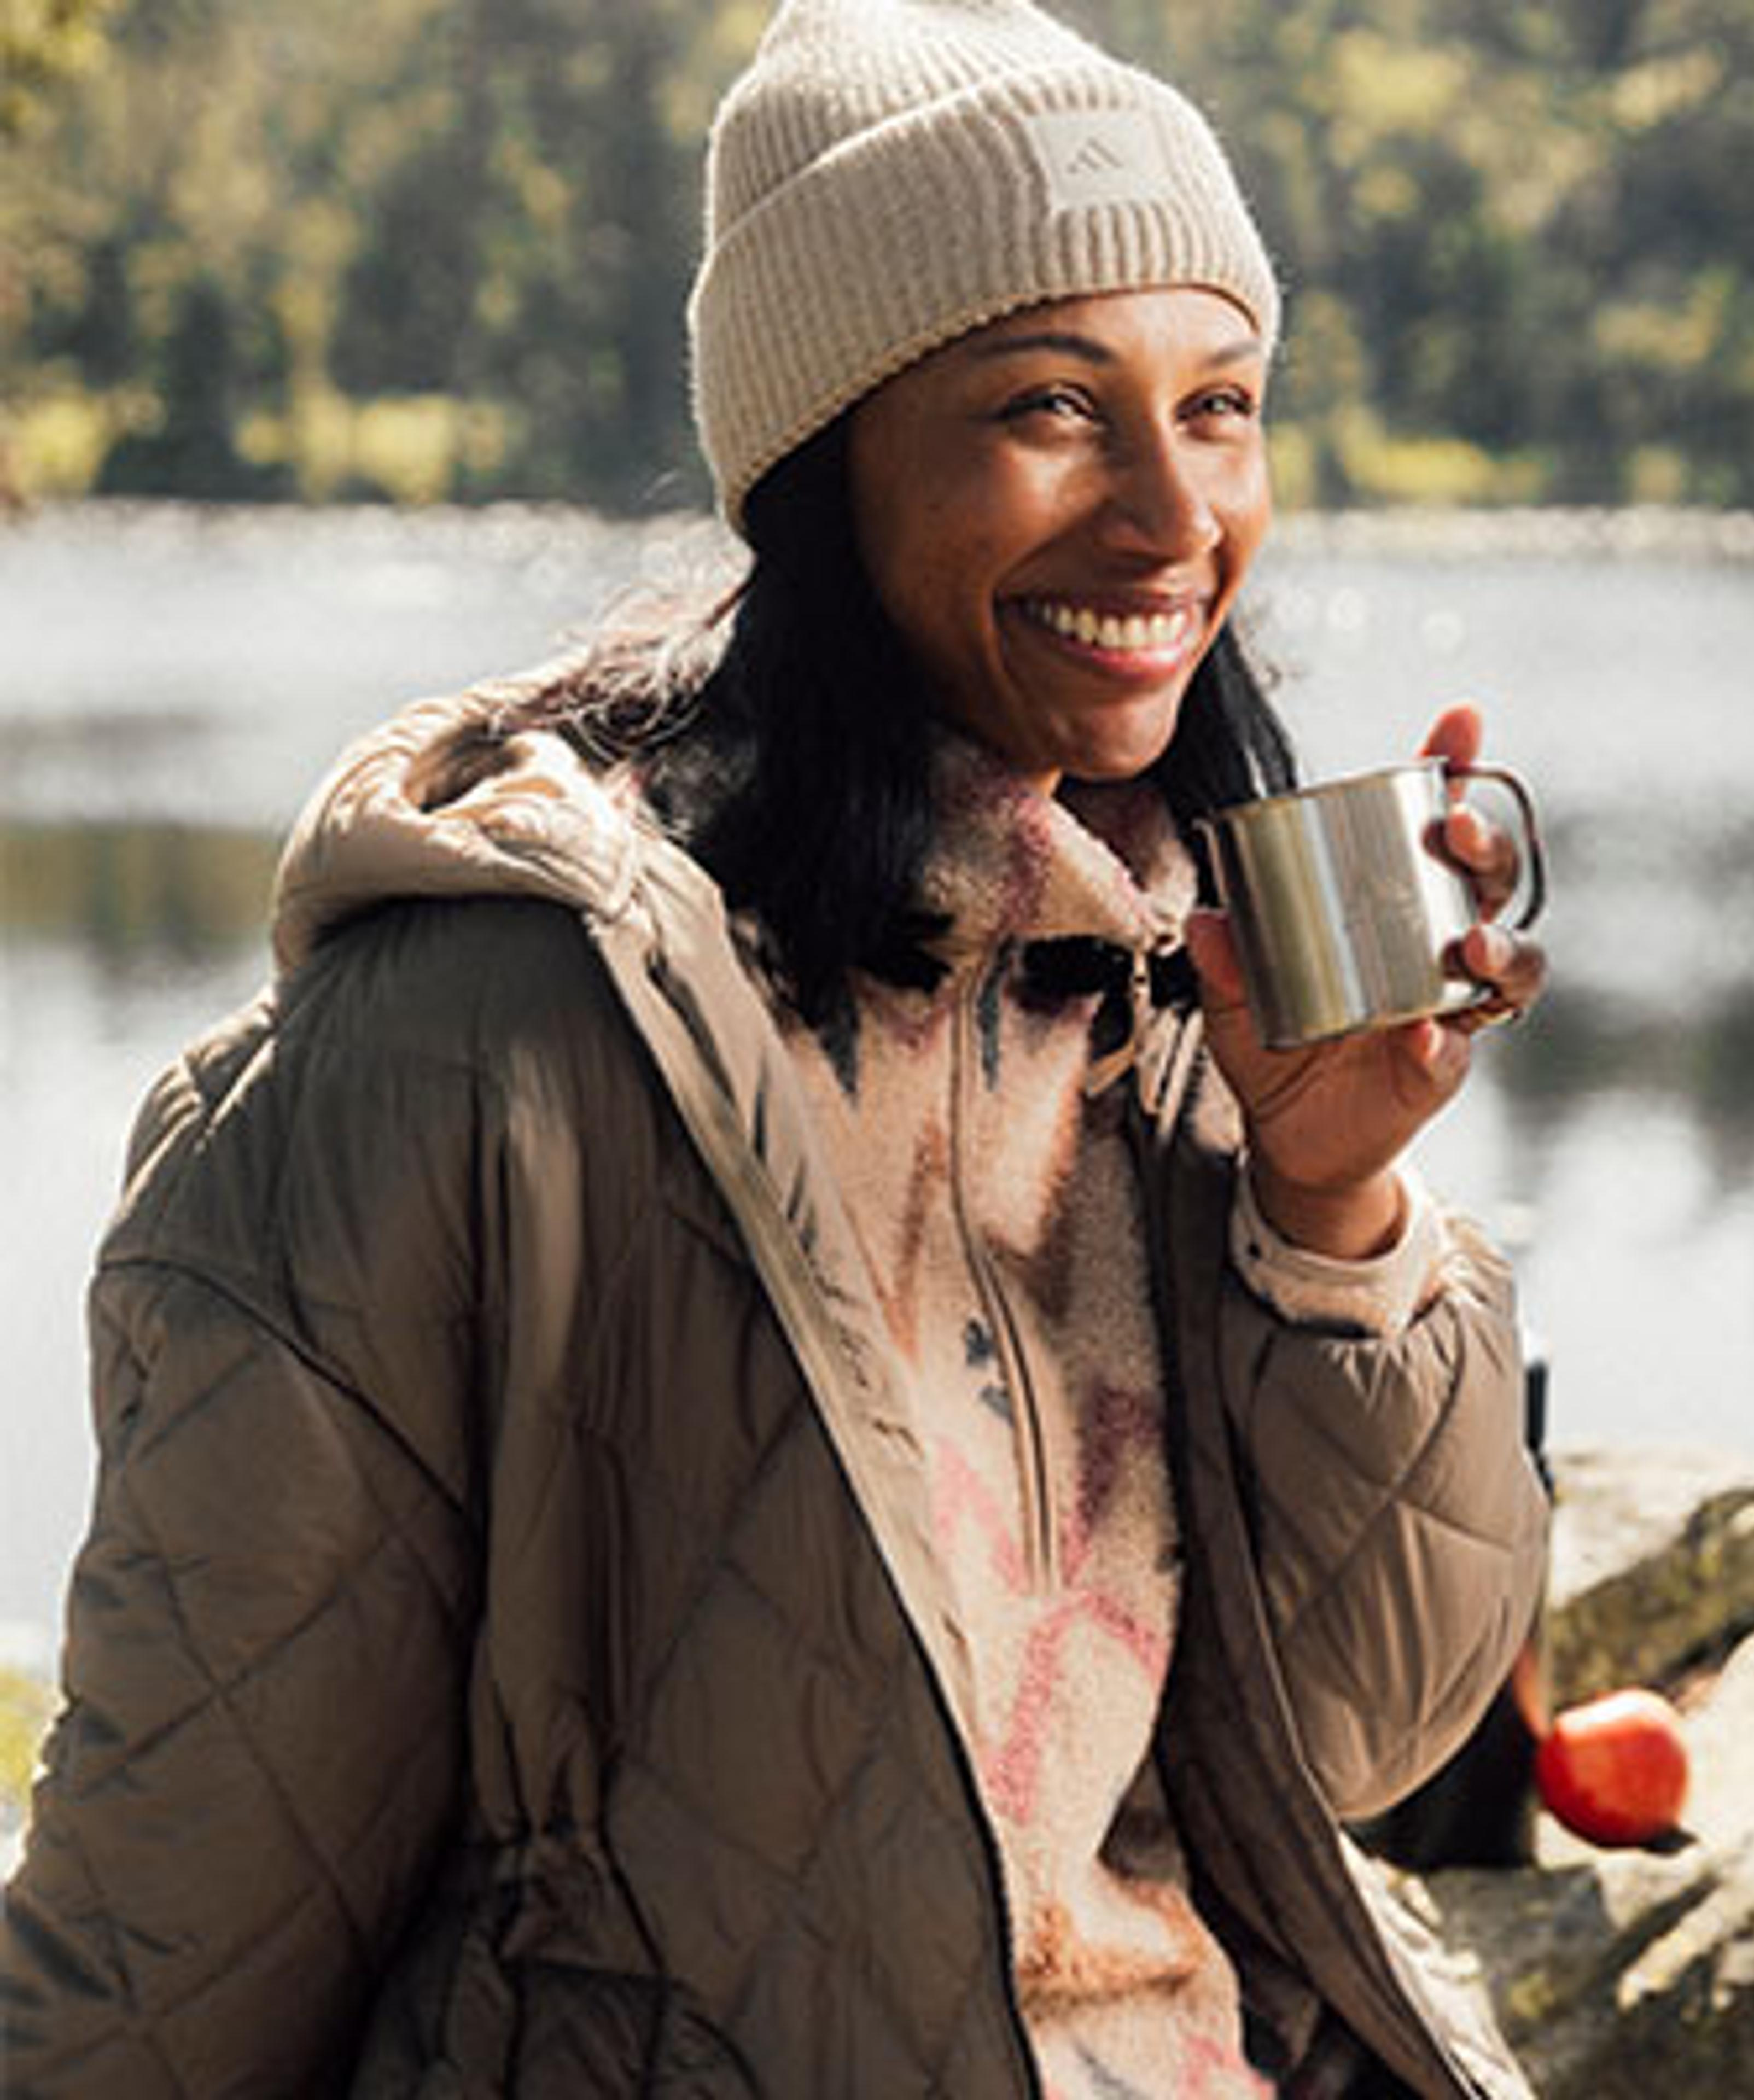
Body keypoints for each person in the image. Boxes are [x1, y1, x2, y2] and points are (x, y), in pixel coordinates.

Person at [1, 0, 1551, 2092]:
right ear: (825, 464)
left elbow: (1368, 1731)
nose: (1178, 517)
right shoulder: (473, 1051)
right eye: (1053, 409)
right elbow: (172, 1937)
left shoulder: (1169, 982)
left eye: (1225, 405)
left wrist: (1335, 1207)